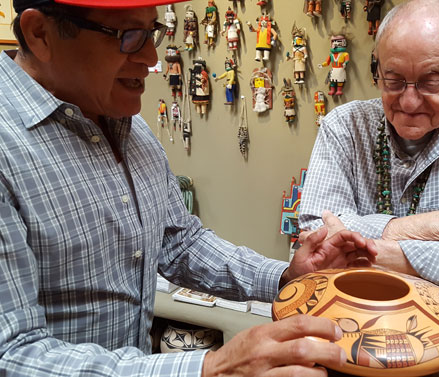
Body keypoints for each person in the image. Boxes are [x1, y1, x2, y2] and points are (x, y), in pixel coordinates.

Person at [0, 0, 379, 376]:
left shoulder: (131, 129)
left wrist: (285, 277)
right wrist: (211, 367)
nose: (151, 57)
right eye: (128, 36)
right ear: (40, 34)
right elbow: (11, 354)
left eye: (152, 32)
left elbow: (180, 243)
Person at [299, 0, 439, 349]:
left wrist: (373, 250)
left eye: (431, 82)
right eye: (392, 79)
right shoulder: (343, 126)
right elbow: (315, 236)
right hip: (342, 338)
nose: (407, 101)